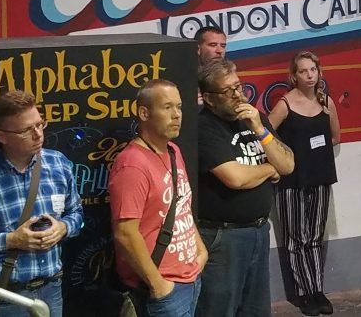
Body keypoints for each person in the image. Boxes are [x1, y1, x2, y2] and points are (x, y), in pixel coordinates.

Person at [0, 90, 83, 315]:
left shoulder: (59, 164)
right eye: (27, 130)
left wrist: (63, 228)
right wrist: (11, 240)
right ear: (1, 136)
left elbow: (76, 213)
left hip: (51, 289)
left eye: (40, 124)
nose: (38, 134)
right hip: (3, 295)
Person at [195, 58, 295, 317]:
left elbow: (288, 164)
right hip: (224, 237)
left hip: (259, 231)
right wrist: (270, 169)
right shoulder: (203, 127)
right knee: (219, 310)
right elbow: (235, 178)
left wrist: (261, 130)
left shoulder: (254, 118)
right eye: (228, 91)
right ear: (208, 98)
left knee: (255, 310)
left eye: (238, 87)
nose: (238, 95)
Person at [109, 79, 207, 316]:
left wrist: (200, 251)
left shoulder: (173, 151)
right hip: (162, 290)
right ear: (144, 112)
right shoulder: (132, 164)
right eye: (167, 107)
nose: (177, 115)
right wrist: (157, 284)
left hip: (189, 278)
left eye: (179, 107)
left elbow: (182, 206)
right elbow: (125, 233)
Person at [268, 51, 340, 316]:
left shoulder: (326, 102)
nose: (309, 75)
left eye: (313, 70)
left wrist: (315, 155)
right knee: (296, 238)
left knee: (315, 237)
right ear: (293, 75)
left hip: (320, 178)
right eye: (303, 71)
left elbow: (335, 136)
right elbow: (266, 137)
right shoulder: (285, 105)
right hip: (292, 181)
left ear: (319, 72)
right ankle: (304, 293)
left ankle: (317, 289)